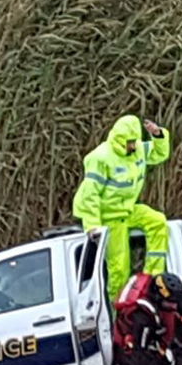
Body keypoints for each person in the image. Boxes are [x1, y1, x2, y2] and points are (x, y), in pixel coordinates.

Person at [72, 114, 171, 300]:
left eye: (135, 142)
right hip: (109, 217)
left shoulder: (138, 149)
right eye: (129, 142)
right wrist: (92, 224)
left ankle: (151, 276)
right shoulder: (100, 158)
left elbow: (159, 154)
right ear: (119, 140)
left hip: (129, 208)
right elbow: (89, 194)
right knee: (119, 270)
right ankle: (119, 315)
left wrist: (158, 135)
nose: (133, 146)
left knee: (158, 221)